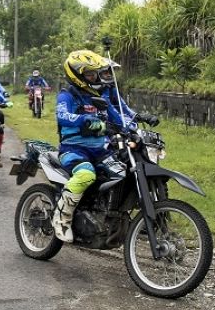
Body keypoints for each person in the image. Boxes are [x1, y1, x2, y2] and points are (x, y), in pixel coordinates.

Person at [53, 50, 159, 243]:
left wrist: (133, 129)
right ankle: (62, 218)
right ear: (76, 75)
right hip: (73, 150)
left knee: (122, 172)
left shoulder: (97, 95)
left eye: (96, 73)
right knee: (85, 175)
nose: (96, 77)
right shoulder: (67, 95)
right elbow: (62, 115)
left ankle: (104, 213)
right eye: (90, 74)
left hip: (100, 150)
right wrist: (83, 120)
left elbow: (117, 116)